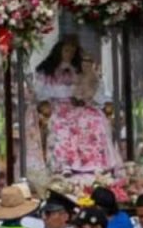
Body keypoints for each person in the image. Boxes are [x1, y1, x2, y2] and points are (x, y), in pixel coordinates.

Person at [33, 36, 122, 175]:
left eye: (72, 51)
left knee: (93, 120)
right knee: (63, 124)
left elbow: (95, 88)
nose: (69, 54)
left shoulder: (79, 69)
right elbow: (41, 93)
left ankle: (95, 162)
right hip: (57, 105)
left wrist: (85, 96)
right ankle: (65, 163)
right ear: (59, 51)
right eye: (66, 50)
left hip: (79, 105)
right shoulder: (47, 71)